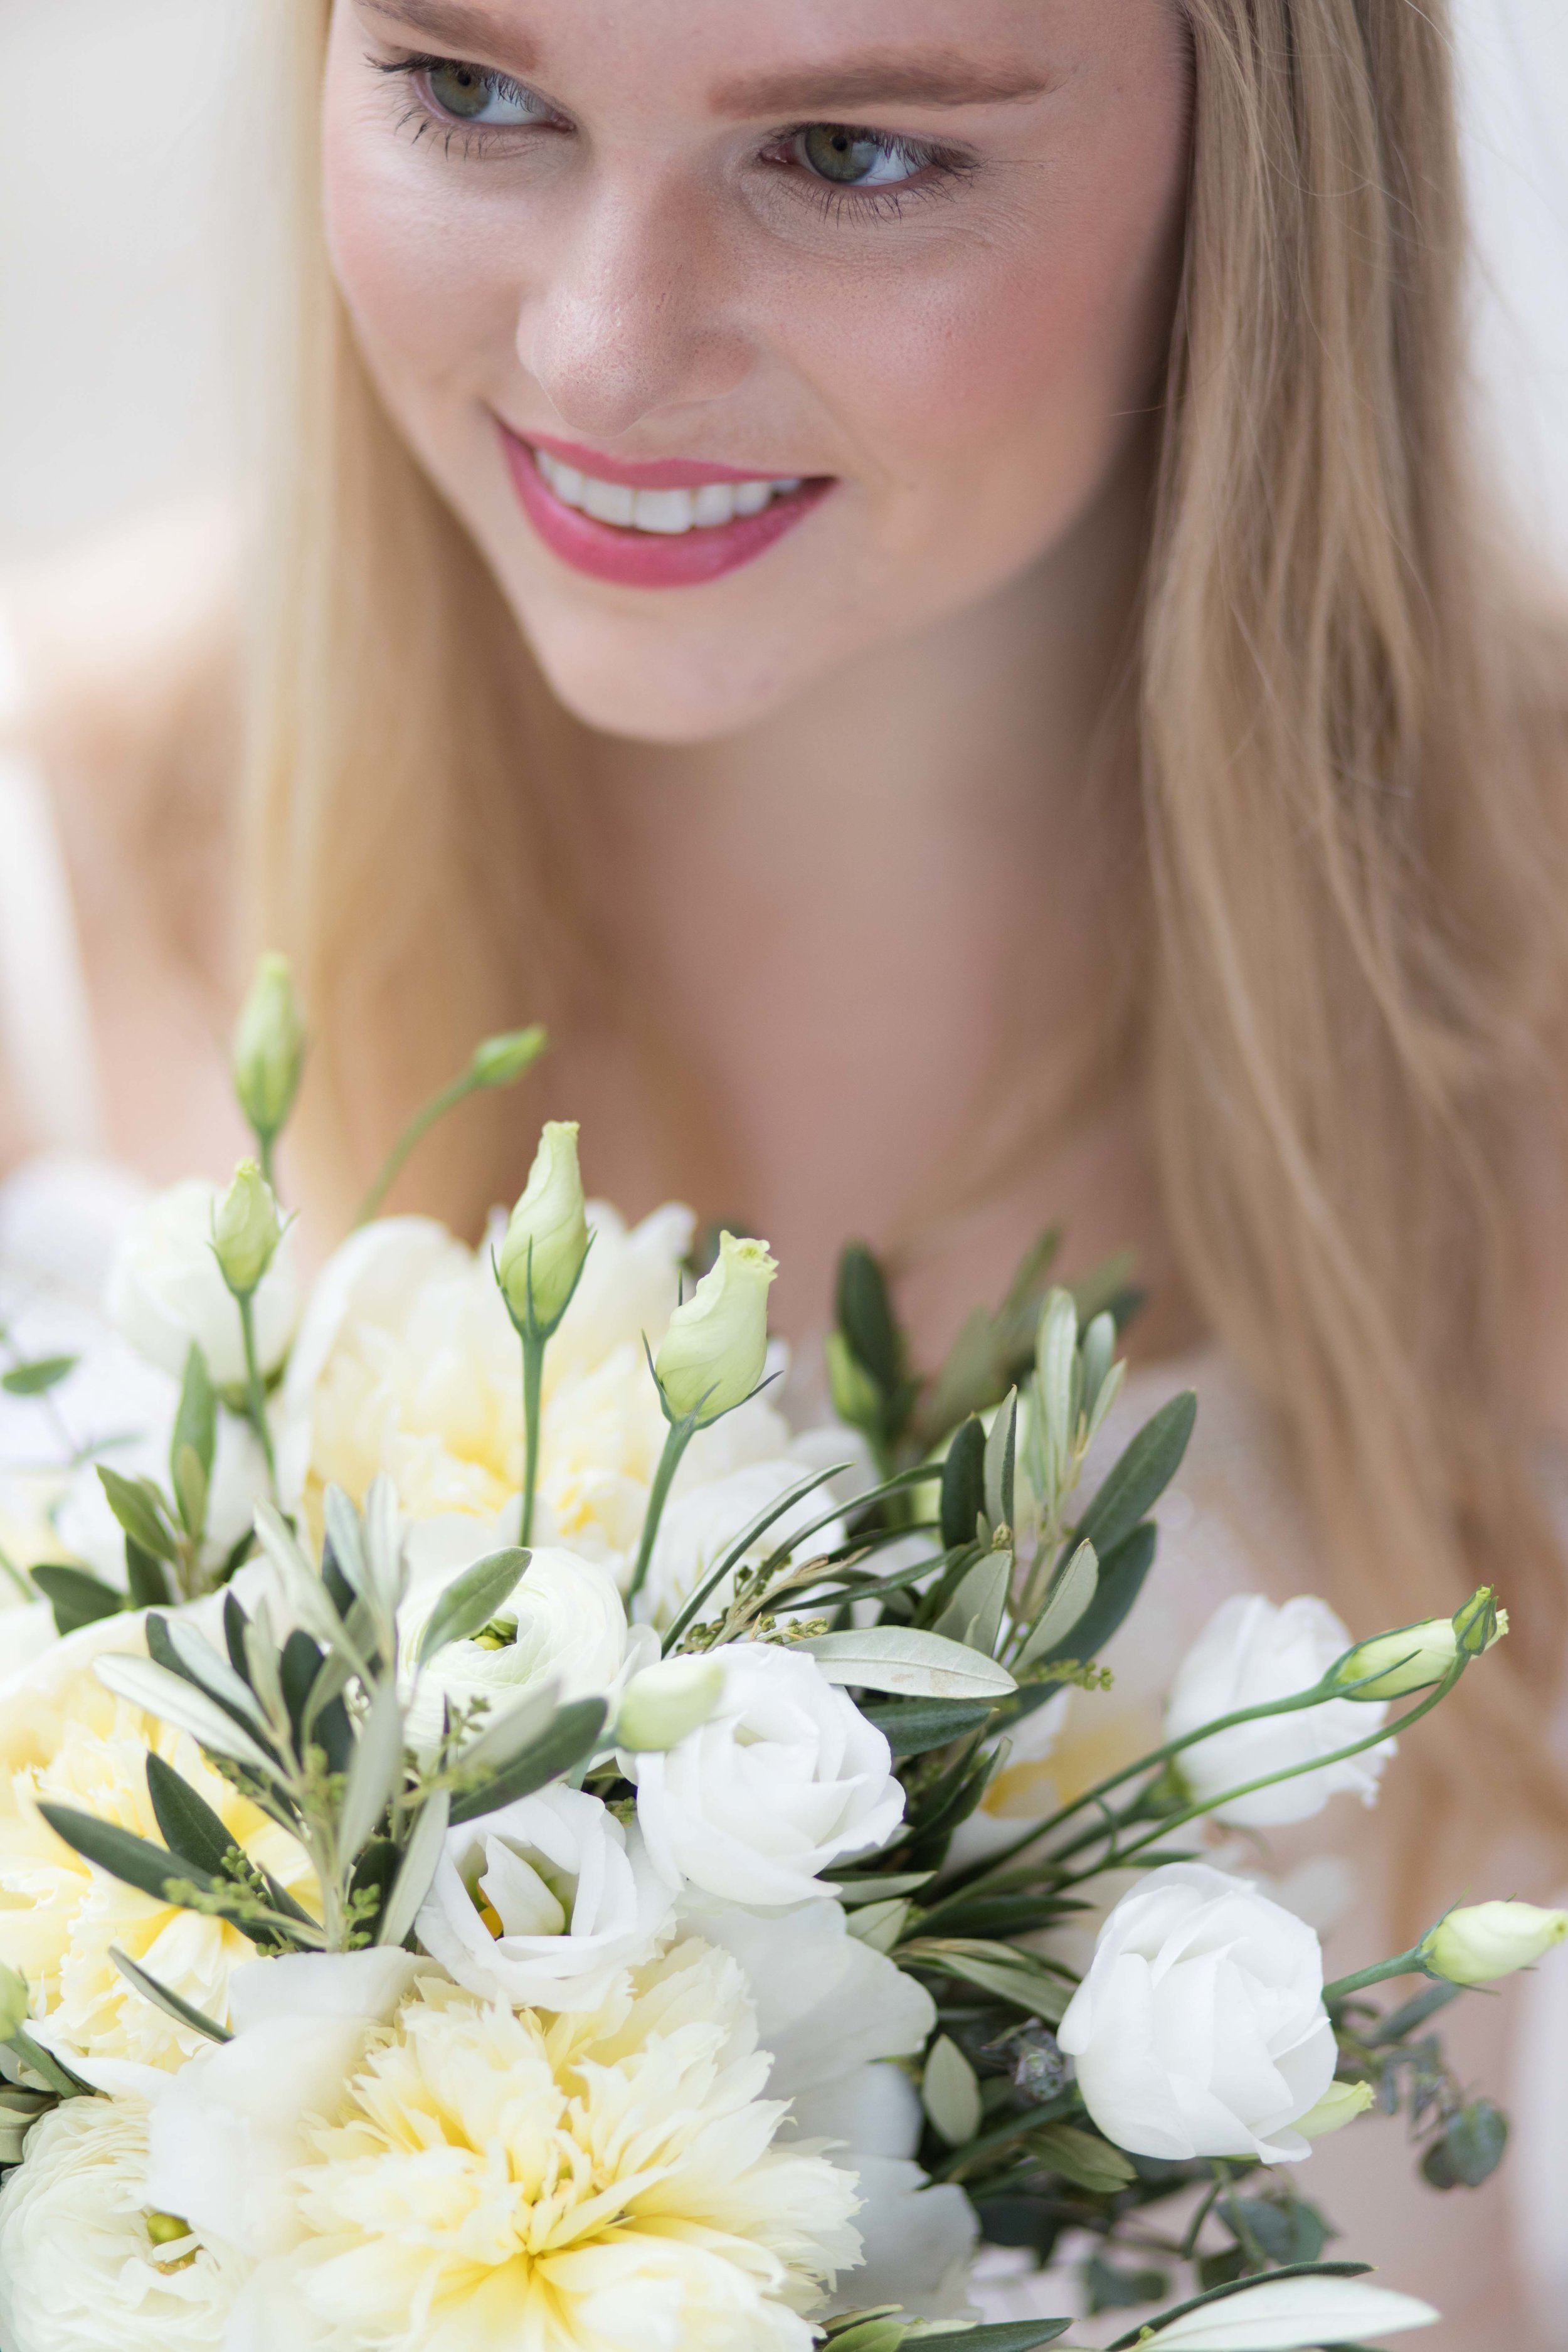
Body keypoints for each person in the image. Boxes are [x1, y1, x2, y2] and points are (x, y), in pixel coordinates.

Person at [1, 3, 1565, 2340]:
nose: (598, 348)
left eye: (846, 154)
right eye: (473, 95)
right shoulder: (51, 885)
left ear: (1251, 153)